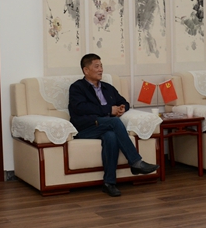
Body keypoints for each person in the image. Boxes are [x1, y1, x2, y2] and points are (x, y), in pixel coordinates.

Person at [68, 53, 159, 197]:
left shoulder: (107, 88)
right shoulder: (77, 88)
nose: (101, 69)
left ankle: (109, 183)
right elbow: (81, 108)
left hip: (107, 126)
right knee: (115, 122)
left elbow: (124, 102)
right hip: (86, 128)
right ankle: (135, 162)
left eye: (101, 66)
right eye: (96, 66)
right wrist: (109, 110)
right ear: (86, 70)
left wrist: (122, 108)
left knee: (111, 136)